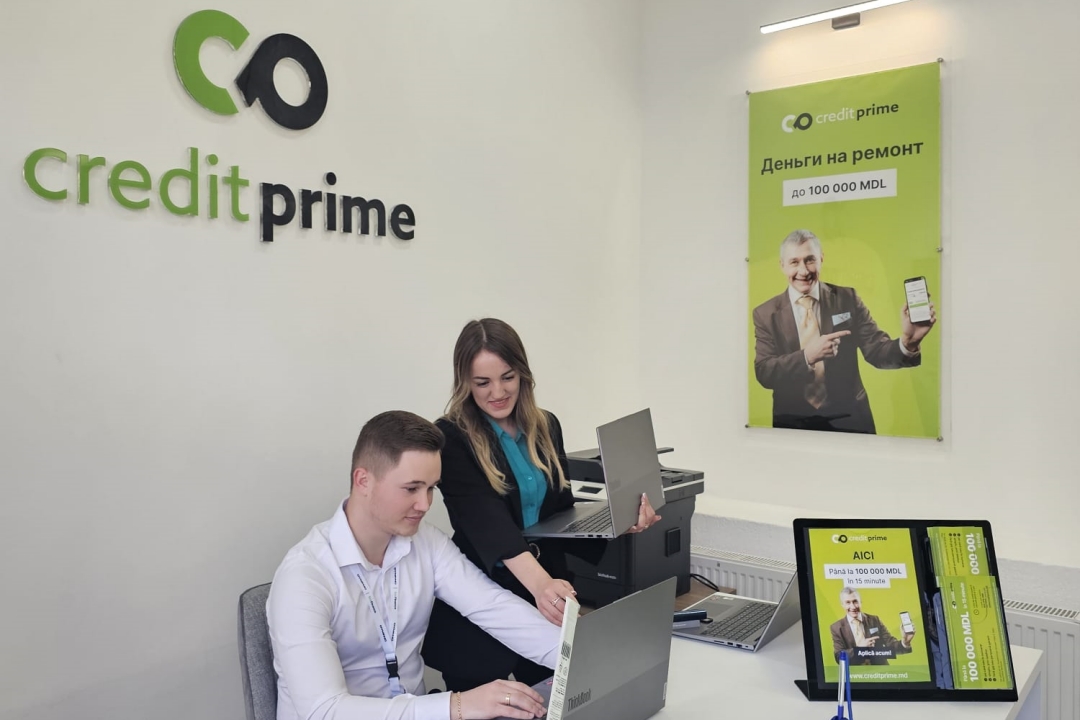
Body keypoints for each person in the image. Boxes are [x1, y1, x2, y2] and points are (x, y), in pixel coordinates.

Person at [267, 410, 560, 720]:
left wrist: (577, 655)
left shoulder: (425, 542)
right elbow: (322, 710)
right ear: (363, 480)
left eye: (431, 488)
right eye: (411, 489)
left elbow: (493, 607)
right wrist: (458, 705)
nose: (425, 504)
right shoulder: (304, 576)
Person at [422, 318, 659, 692]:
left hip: (547, 589)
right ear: (464, 382)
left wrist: (619, 522)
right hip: (484, 599)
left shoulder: (546, 425)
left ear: (523, 374)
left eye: (507, 377)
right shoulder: (451, 437)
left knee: (564, 701)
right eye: (482, 382)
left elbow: (560, 514)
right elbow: (487, 522)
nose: (498, 392)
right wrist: (541, 585)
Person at [752, 229, 937, 434]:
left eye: (810, 260)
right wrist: (807, 356)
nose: (803, 271)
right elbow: (764, 372)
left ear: (821, 259)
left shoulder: (848, 298)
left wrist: (908, 342)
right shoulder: (765, 314)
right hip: (793, 423)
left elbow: (876, 351)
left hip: (851, 420)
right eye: (794, 262)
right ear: (782, 265)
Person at [829, 587, 915, 665]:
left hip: (881, 673)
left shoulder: (874, 620)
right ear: (842, 604)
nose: (853, 606)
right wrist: (859, 648)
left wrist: (905, 642)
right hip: (855, 675)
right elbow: (839, 657)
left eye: (855, 601)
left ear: (860, 602)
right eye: (848, 602)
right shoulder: (836, 628)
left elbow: (890, 643)